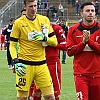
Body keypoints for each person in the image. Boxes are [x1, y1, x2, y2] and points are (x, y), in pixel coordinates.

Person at [9, 0, 57, 100]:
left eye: (35, 6)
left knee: (50, 96)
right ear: (25, 6)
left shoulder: (44, 20)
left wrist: (44, 38)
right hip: (24, 65)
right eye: (31, 6)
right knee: (22, 97)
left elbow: (54, 42)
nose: (34, 8)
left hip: (41, 65)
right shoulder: (18, 23)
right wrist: (15, 61)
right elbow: (12, 45)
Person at [66, 2, 100, 100]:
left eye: (92, 11)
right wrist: (83, 43)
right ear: (81, 13)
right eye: (88, 10)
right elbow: (69, 52)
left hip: (97, 74)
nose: (90, 13)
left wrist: (89, 41)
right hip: (80, 74)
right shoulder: (73, 30)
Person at [28, 23, 67, 100]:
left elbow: (65, 46)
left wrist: (49, 42)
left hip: (52, 63)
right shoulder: (34, 28)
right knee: (36, 92)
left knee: (54, 94)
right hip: (39, 63)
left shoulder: (56, 28)